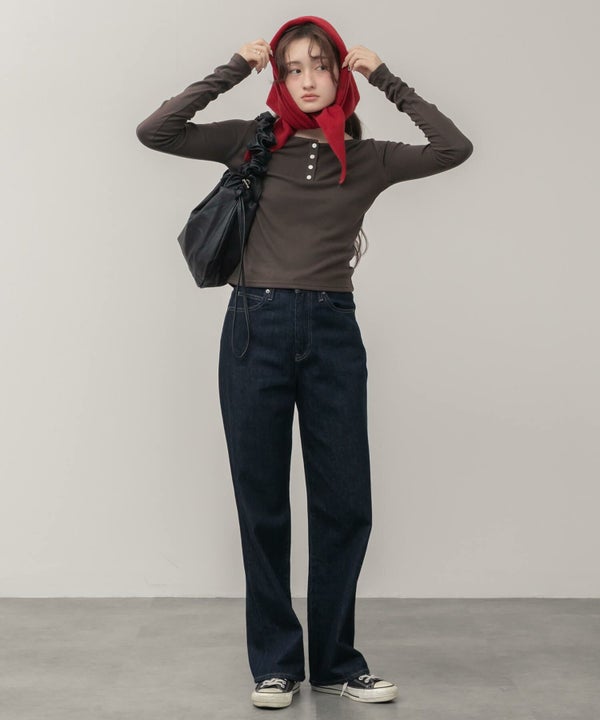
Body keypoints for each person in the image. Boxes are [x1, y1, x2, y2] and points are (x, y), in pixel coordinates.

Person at [136, 15, 473, 710]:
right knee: (261, 503)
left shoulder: (370, 158)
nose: (308, 79)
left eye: (321, 64)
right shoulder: (249, 144)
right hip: (252, 328)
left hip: (331, 331)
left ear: (341, 74)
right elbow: (156, 131)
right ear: (279, 78)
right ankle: (276, 665)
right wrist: (234, 66)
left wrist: (387, 78)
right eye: (293, 68)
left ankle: (336, 664)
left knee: (345, 503)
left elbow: (453, 147)